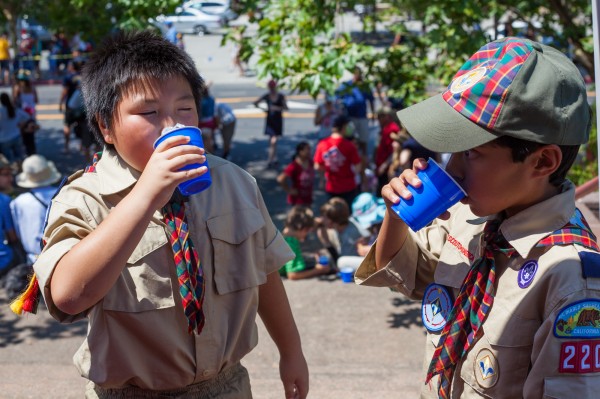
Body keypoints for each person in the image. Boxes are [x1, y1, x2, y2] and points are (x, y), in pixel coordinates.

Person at [13, 30, 309, 399]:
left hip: (227, 386)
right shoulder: (83, 198)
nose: (173, 126)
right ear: (106, 126)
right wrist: (146, 195)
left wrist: (291, 351)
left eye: (185, 109)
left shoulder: (234, 182)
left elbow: (264, 271)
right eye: (149, 112)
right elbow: (68, 296)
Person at [355, 37, 599, 398]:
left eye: (471, 153)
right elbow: (406, 273)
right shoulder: (470, 217)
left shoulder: (572, 280)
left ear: (543, 162)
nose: (451, 168)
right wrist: (397, 215)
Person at [10, 155, 61, 265]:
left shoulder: (18, 202)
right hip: (61, 256)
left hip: (33, 260)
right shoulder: (63, 194)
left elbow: (19, 232)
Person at [313, 114, 363, 208]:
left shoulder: (322, 144)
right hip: (348, 186)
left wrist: (329, 168)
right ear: (343, 127)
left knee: (333, 214)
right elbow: (358, 167)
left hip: (331, 186)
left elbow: (317, 166)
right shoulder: (349, 146)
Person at [316, 197, 369, 269]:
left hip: (361, 261)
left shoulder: (351, 233)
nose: (321, 219)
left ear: (334, 221)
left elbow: (344, 257)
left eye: (325, 217)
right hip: (345, 256)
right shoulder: (337, 226)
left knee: (341, 262)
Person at [279, 206, 330, 280]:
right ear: (303, 229)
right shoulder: (291, 243)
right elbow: (293, 275)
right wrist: (319, 270)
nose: (307, 234)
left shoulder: (282, 236)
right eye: (308, 231)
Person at [335, 67, 375, 157]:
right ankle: (350, 157)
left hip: (362, 116)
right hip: (350, 117)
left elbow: (371, 100)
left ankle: (364, 159)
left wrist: (373, 113)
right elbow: (337, 95)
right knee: (350, 139)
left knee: (363, 140)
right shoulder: (348, 85)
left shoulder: (365, 86)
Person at [253, 79, 288, 168]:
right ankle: (274, 158)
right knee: (271, 140)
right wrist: (264, 109)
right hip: (270, 120)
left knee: (273, 140)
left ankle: (270, 159)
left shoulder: (280, 96)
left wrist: (277, 108)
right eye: (270, 87)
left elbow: (286, 107)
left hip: (277, 120)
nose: (272, 89)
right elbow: (255, 103)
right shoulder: (267, 96)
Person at [277, 141, 315, 207]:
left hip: (308, 198)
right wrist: (289, 190)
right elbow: (280, 179)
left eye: (309, 149)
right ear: (300, 152)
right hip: (297, 201)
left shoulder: (310, 162)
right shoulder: (294, 166)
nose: (309, 151)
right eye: (307, 149)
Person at [374, 106, 401, 195]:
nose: (378, 119)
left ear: (387, 116)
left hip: (385, 169)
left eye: (380, 116)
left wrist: (384, 165)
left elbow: (395, 149)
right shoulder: (385, 128)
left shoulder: (392, 129)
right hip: (381, 167)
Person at [59, 60, 83, 153]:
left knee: (67, 125)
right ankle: (82, 145)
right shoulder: (83, 76)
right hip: (81, 106)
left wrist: (60, 103)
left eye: (69, 65)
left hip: (70, 105)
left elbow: (64, 91)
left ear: (72, 67)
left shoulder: (68, 77)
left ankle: (66, 146)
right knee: (81, 124)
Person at [0, 154, 18, 275]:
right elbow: (12, 235)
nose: (10, 178)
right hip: (4, 261)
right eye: (5, 175)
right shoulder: (3, 201)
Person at [0, 92, 28, 166]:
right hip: (16, 136)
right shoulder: (14, 109)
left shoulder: (1, 111)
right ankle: (20, 170)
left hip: (4, 139)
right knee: (20, 158)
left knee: (9, 161)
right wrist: (21, 125)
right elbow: (26, 116)